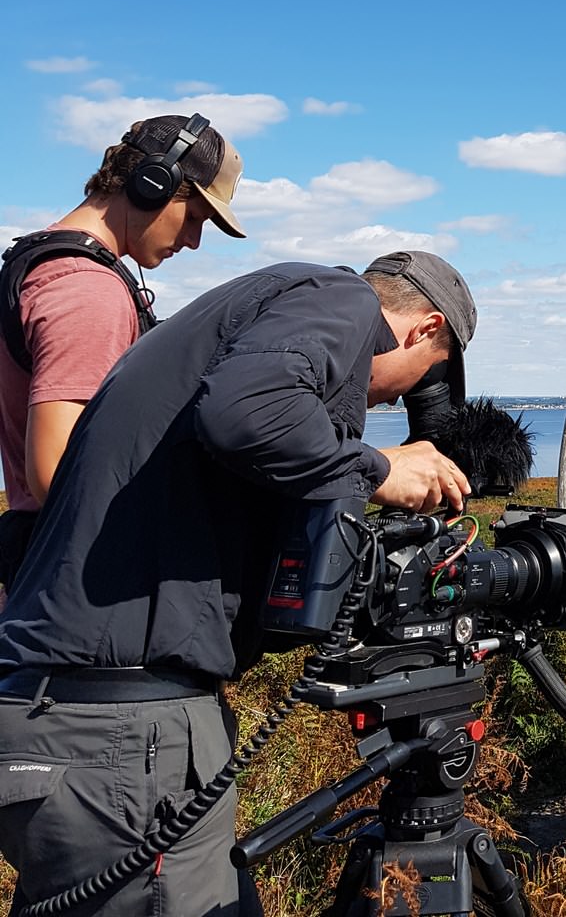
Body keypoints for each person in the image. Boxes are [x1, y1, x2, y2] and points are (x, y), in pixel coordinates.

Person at [0, 249, 477, 916]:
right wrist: (375, 468)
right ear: (423, 329)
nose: (394, 399)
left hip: (76, 721)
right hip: (124, 736)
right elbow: (244, 414)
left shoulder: (233, 317)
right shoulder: (340, 298)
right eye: (415, 380)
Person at [0, 114, 246, 598]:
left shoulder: (38, 261)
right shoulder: (88, 292)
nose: (194, 241)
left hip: (43, 568)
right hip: (73, 579)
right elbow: (57, 474)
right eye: (194, 217)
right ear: (152, 184)